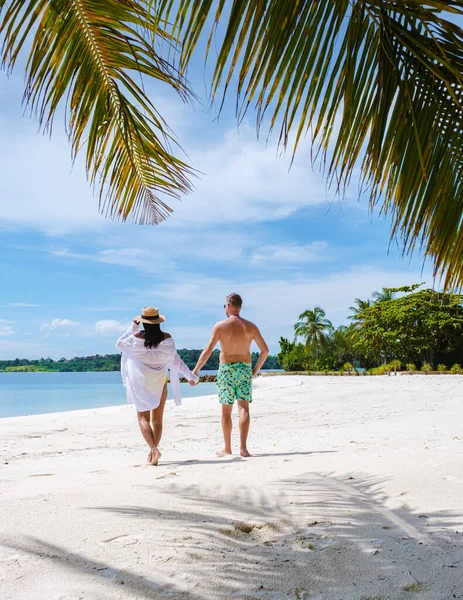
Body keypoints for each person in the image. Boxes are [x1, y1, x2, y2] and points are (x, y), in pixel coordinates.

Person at [116, 306, 198, 465]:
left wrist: (133, 327)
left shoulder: (135, 339)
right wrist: (190, 376)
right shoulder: (167, 340)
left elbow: (119, 344)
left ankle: (154, 450)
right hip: (160, 381)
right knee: (158, 420)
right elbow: (177, 361)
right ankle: (153, 452)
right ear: (158, 323)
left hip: (141, 381)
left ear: (143, 323)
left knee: (142, 418)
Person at [193, 293, 269, 457]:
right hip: (244, 369)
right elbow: (265, 351)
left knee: (226, 412)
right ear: (240, 307)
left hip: (226, 370)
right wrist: (254, 370)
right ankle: (243, 449)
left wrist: (196, 370)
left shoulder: (220, 326)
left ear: (227, 307)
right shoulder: (251, 327)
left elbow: (208, 350)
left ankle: (227, 448)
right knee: (243, 408)